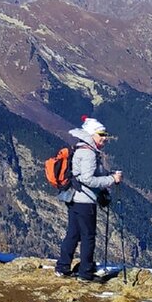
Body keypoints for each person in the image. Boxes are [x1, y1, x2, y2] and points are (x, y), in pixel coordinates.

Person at [54, 116, 123, 282]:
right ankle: (85, 272)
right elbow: (88, 179)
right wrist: (111, 180)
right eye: (101, 134)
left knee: (73, 233)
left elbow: (85, 176)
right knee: (88, 236)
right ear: (92, 134)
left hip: (75, 199)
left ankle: (63, 267)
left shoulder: (81, 149)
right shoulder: (88, 153)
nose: (105, 137)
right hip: (85, 201)